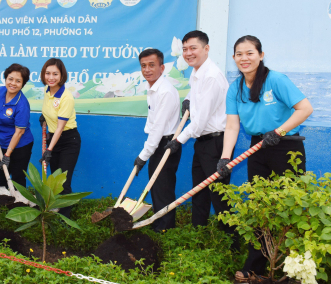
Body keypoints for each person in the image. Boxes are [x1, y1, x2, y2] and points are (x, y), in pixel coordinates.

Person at [216, 35, 313, 282]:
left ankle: (295, 269)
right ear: (233, 58)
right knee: (260, 206)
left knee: (291, 207)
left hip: (286, 148)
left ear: (261, 55)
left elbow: (305, 109)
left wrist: (278, 132)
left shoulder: (276, 80)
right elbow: (232, 125)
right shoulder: (235, 88)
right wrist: (225, 158)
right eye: (239, 54)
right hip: (257, 148)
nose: (244, 58)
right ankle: (256, 266)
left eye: (250, 53)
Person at [163, 30, 237, 243]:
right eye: (185, 49)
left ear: (206, 49)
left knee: (219, 196)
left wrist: (178, 140)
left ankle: (230, 243)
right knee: (199, 192)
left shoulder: (211, 76)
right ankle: (198, 237)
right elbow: (197, 97)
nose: (188, 53)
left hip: (215, 143)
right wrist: (188, 99)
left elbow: (200, 121)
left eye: (193, 48)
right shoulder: (198, 73)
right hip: (203, 143)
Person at [133, 49, 182, 232]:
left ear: (162, 68)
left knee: (163, 188)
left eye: (151, 65)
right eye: (143, 66)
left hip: (166, 145)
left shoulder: (165, 92)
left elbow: (158, 129)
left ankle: (165, 229)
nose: (147, 69)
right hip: (159, 144)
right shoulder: (153, 89)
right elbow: (153, 125)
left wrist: (143, 156)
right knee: (157, 187)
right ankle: (160, 222)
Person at [39, 58, 81, 219]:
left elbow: (60, 127)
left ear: (62, 75)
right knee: (54, 180)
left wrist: (49, 150)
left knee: (63, 181)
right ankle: (55, 208)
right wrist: (44, 117)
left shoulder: (66, 97)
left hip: (68, 141)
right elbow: (50, 111)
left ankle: (65, 218)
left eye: (55, 74)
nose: (51, 77)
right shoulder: (47, 90)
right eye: (48, 73)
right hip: (53, 139)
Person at [0, 64, 34, 188]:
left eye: (18, 81)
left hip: (20, 145)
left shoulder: (22, 104)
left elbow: (19, 132)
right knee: (0, 174)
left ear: (23, 84)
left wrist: (7, 155)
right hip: (1, 141)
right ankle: (0, 203)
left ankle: (19, 204)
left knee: (17, 177)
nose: (13, 83)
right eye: (10, 79)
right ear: (6, 78)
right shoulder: (2, 90)